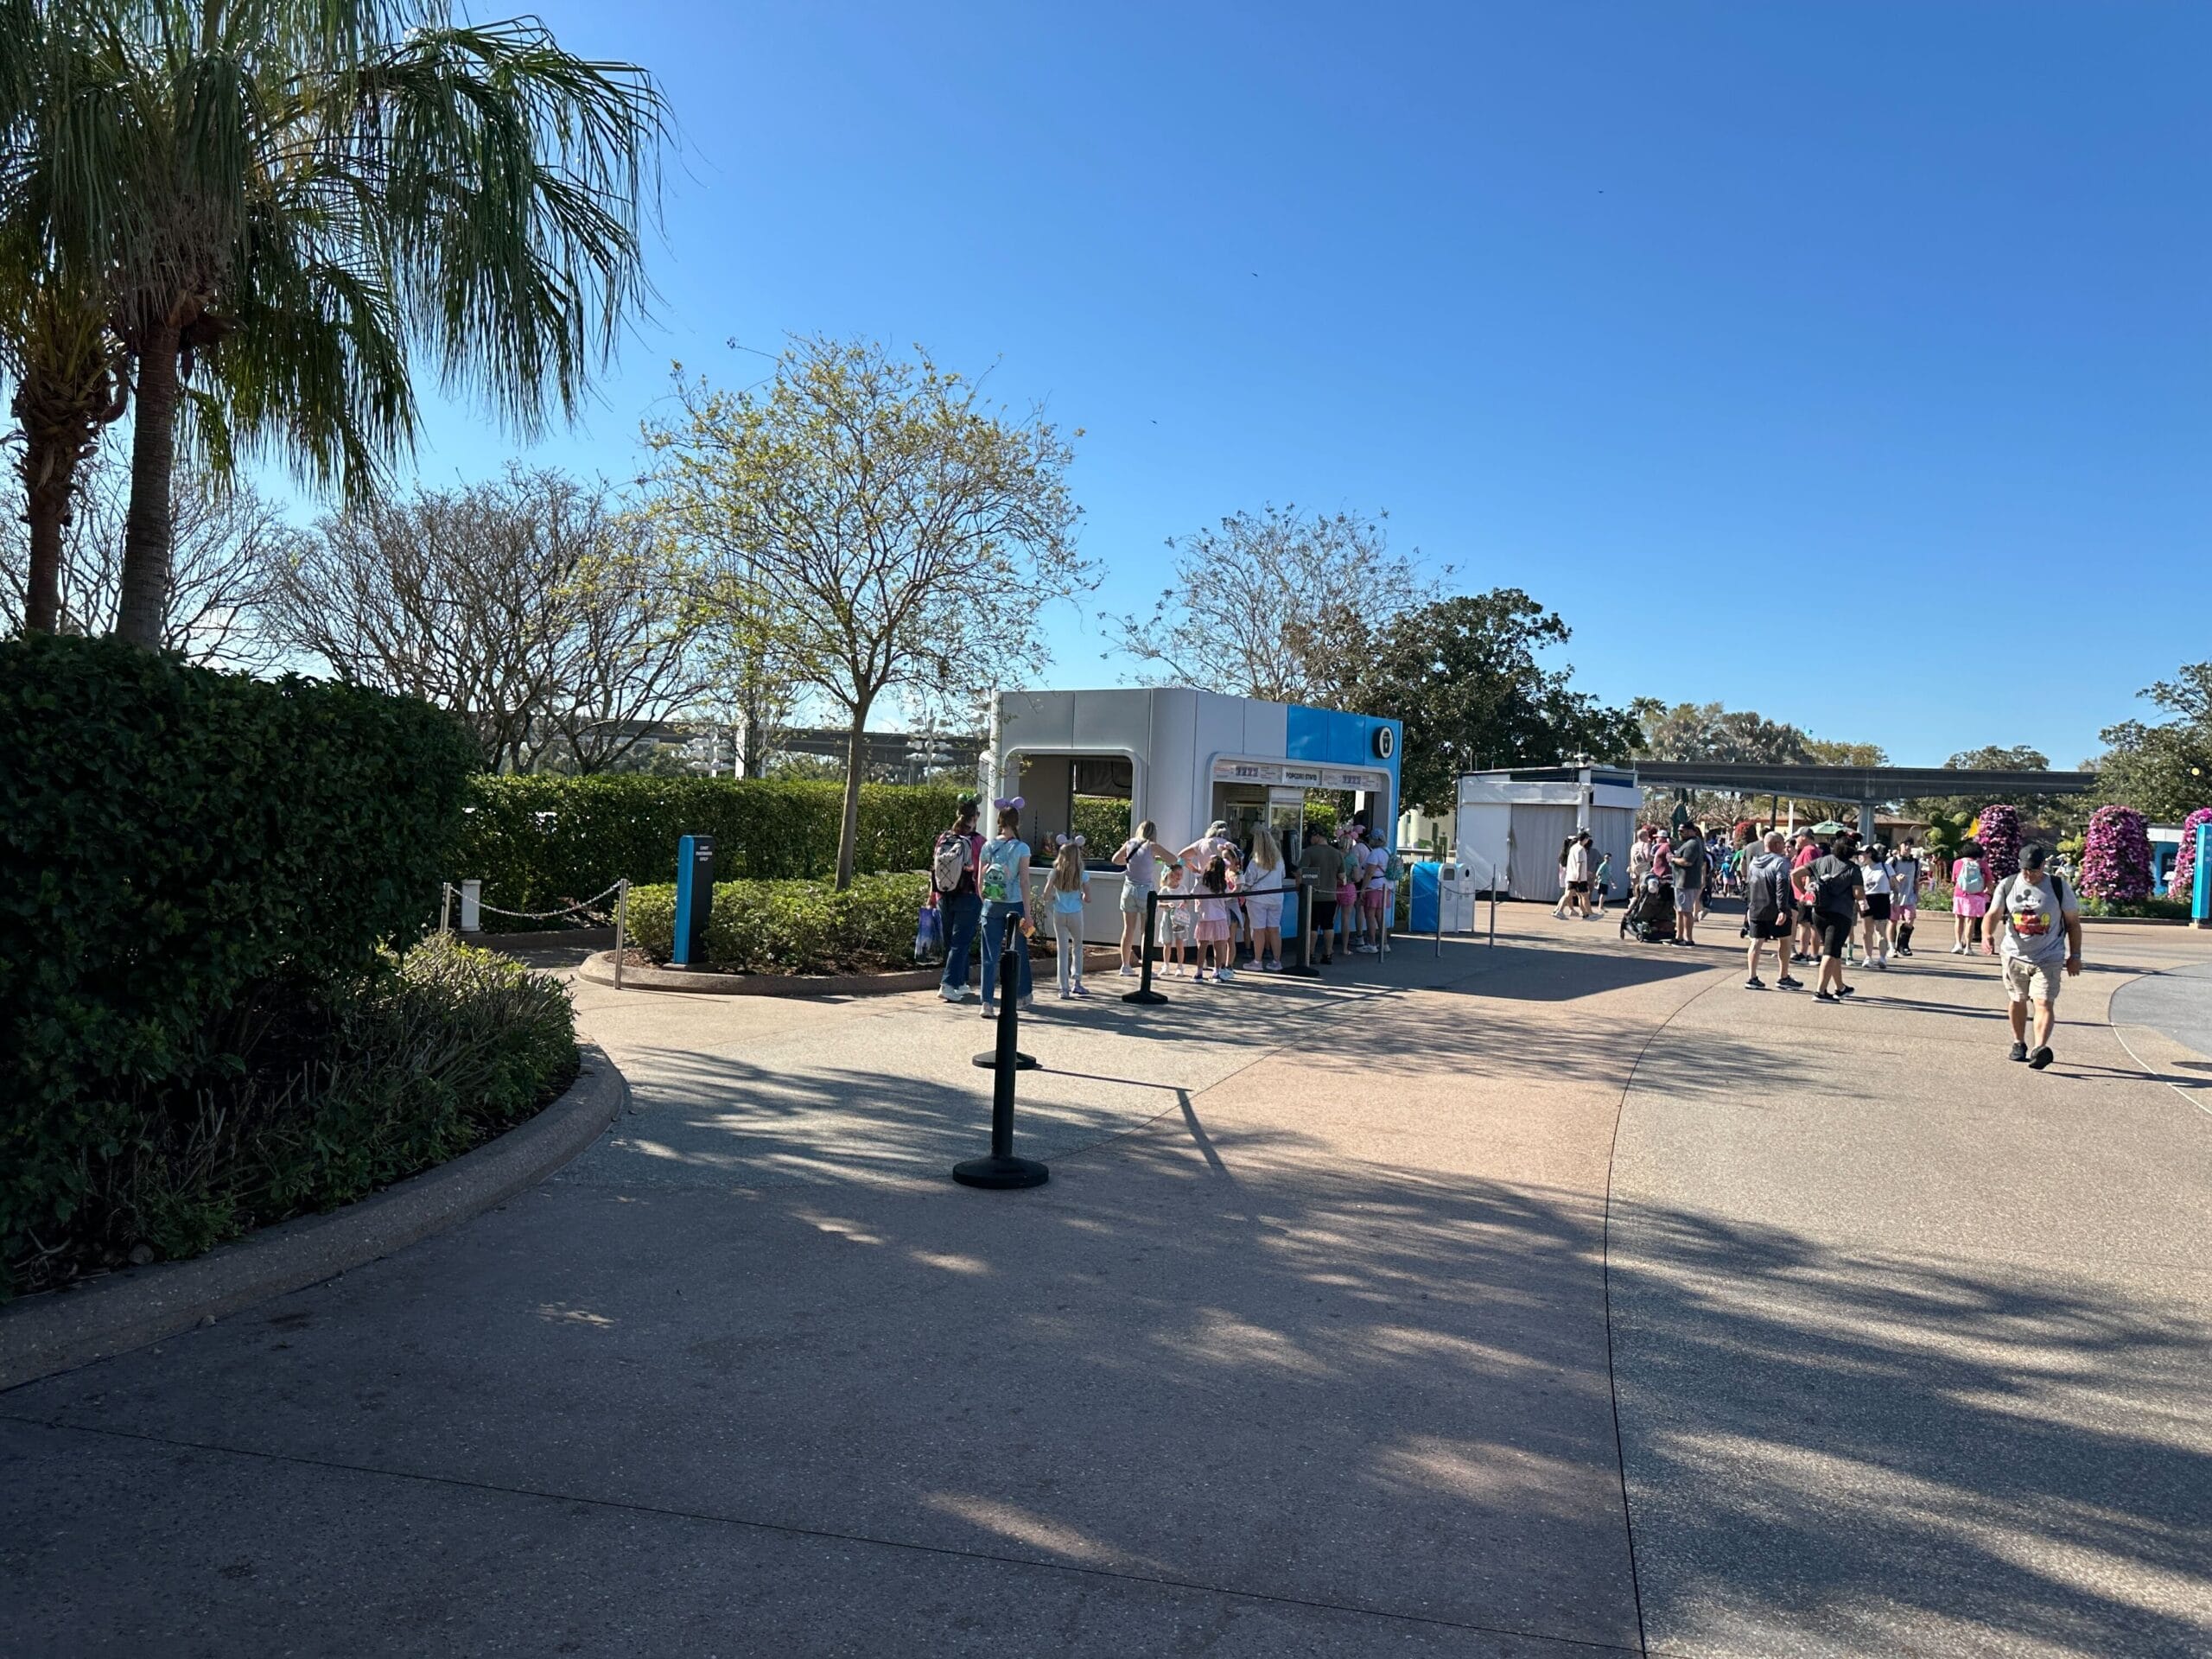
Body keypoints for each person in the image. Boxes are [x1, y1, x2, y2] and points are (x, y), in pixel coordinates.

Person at [1990, 842, 2082, 1069]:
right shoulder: (2008, 884)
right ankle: (2018, 1042)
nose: (2028, 874)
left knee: (2043, 1001)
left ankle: (2039, 1049)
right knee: (2018, 999)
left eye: (2033, 869)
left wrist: (2075, 955)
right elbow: (1993, 913)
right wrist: (1986, 934)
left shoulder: (2058, 886)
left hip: (2049, 955)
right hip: (2014, 953)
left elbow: (2073, 923)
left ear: (2043, 865)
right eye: (2024, 869)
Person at [977, 800, 1035, 1016]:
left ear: (999, 822)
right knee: (1018, 950)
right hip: (1015, 905)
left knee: (990, 954)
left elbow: (980, 878)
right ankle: (1020, 996)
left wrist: (985, 901)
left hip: (992, 905)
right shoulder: (1022, 848)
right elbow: (1025, 882)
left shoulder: (988, 846)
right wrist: (1028, 914)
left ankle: (987, 1002)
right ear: (1017, 822)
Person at [1792, 830, 1864, 1003]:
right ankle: (1820, 991)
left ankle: (1840, 987)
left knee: (1834, 951)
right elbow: (1858, 893)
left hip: (1819, 912)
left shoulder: (1820, 862)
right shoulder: (1853, 869)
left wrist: (1803, 893)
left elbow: (1795, 874)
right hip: (1840, 914)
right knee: (1830, 952)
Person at [929, 794, 986, 1003]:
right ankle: (948, 984)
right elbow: (984, 871)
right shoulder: (979, 842)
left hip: (944, 894)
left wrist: (933, 897)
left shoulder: (944, 838)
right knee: (961, 942)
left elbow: (934, 868)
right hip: (969, 895)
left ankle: (960, 982)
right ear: (976, 817)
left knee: (951, 942)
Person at [1111, 820, 1174, 978]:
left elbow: (1115, 860)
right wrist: (1157, 859)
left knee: (1128, 929)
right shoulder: (1152, 846)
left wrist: (1131, 862)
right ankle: (1146, 968)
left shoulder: (1130, 843)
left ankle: (1125, 966)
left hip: (1128, 889)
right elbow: (1172, 859)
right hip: (1145, 891)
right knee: (1146, 930)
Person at [1741, 830, 1802, 990]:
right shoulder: (1781, 862)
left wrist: (1749, 906)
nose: (1785, 847)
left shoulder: (1754, 862)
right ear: (1776, 845)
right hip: (1775, 908)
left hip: (1756, 908)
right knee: (1785, 940)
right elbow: (1782, 885)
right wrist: (1783, 909)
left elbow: (1750, 885)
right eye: (1782, 843)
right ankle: (1783, 976)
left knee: (1756, 942)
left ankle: (1752, 977)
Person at [1041, 836, 1091, 999]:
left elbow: (1046, 895)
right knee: (1077, 947)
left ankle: (1063, 988)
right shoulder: (1082, 874)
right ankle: (1077, 982)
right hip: (1076, 913)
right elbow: (1088, 898)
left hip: (1059, 913)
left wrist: (1055, 899)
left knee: (1062, 951)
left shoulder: (1055, 873)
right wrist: (1082, 896)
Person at [1242, 825, 1288, 970]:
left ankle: (1257, 961)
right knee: (1275, 930)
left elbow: (1248, 881)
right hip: (1276, 898)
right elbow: (1283, 876)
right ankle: (1276, 961)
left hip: (1257, 899)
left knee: (1258, 930)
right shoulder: (1279, 860)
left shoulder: (1255, 862)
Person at [1297, 824, 1343, 963]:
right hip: (1330, 895)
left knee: (1312, 927)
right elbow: (1342, 876)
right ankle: (1328, 954)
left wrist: (1299, 889)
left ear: (1316, 836)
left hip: (1313, 895)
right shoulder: (1337, 853)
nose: (1310, 839)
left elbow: (1300, 873)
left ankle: (1310, 955)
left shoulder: (1310, 852)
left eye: (1311, 837)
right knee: (1328, 926)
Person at [1193, 855, 1235, 981]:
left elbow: (1194, 893)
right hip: (1220, 917)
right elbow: (1228, 897)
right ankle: (1217, 973)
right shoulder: (1223, 883)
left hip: (1205, 917)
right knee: (1219, 947)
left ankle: (1199, 973)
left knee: (1202, 946)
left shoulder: (1202, 881)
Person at [1951, 837, 1993, 955]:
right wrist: (1988, 893)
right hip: (1977, 895)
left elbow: (1954, 880)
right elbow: (1989, 880)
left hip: (1960, 894)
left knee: (1958, 919)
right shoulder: (1983, 864)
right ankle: (1968, 947)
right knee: (1970, 921)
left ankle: (1958, 944)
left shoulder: (1958, 863)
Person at [1857, 842, 1894, 969]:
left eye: (1862, 854)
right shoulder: (1862, 870)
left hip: (1882, 898)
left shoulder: (1885, 867)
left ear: (1870, 854)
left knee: (1880, 929)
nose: (1860, 856)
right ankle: (1868, 957)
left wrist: (1896, 901)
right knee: (1867, 931)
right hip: (1866, 899)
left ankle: (1882, 958)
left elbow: (1894, 884)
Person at [1789, 830, 1822, 965]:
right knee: (1812, 925)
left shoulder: (1809, 850)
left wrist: (1805, 893)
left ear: (1804, 837)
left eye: (1797, 837)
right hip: (1810, 894)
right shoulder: (1813, 850)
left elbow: (1810, 873)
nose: (1796, 839)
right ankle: (1813, 954)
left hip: (1807, 895)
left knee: (1805, 924)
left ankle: (1804, 953)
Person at [1670, 824, 1708, 945]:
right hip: (1683, 881)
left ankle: (1688, 939)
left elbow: (1687, 862)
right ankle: (1679, 936)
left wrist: (1673, 859)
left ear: (1691, 831)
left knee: (1686, 911)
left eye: (1682, 831)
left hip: (1686, 882)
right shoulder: (1694, 843)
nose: (1680, 833)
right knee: (1680, 910)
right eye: (1679, 831)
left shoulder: (1693, 844)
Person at [1160, 861, 1193, 976]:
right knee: (1167, 942)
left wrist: (1184, 905)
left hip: (1179, 918)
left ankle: (1180, 966)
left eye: (1181, 874)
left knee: (1180, 943)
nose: (1179, 877)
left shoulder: (1183, 888)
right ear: (1171, 874)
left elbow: (1186, 900)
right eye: (1177, 874)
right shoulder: (1165, 889)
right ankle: (1166, 965)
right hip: (1168, 918)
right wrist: (1167, 905)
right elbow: (1159, 903)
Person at [1890, 841, 1922, 957]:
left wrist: (1917, 893)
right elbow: (1886, 878)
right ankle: (1891, 947)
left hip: (1909, 896)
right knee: (1892, 922)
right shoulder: (1893, 861)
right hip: (1895, 896)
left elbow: (1916, 880)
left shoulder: (1916, 862)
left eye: (1910, 845)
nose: (1907, 847)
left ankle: (1903, 944)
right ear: (1900, 846)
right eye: (1905, 845)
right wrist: (1896, 878)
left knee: (1910, 920)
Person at [1563, 830, 1596, 919]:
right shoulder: (1580, 849)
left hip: (1574, 876)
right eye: (1587, 838)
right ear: (1585, 839)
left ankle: (1585, 913)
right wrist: (1579, 875)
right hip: (1579, 877)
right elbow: (1579, 863)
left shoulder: (1573, 848)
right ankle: (1590, 914)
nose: (1588, 840)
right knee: (1583, 895)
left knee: (1574, 895)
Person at [1592, 847, 1612, 914]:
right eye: (1605, 858)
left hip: (1606, 882)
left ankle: (1602, 906)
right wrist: (1596, 880)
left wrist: (1612, 882)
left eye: (1608, 858)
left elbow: (1609, 874)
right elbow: (1598, 872)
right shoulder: (1603, 865)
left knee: (1604, 895)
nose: (1606, 859)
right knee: (1602, 894)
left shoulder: (1609, 865)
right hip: (1602, 881)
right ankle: (1600, 907)